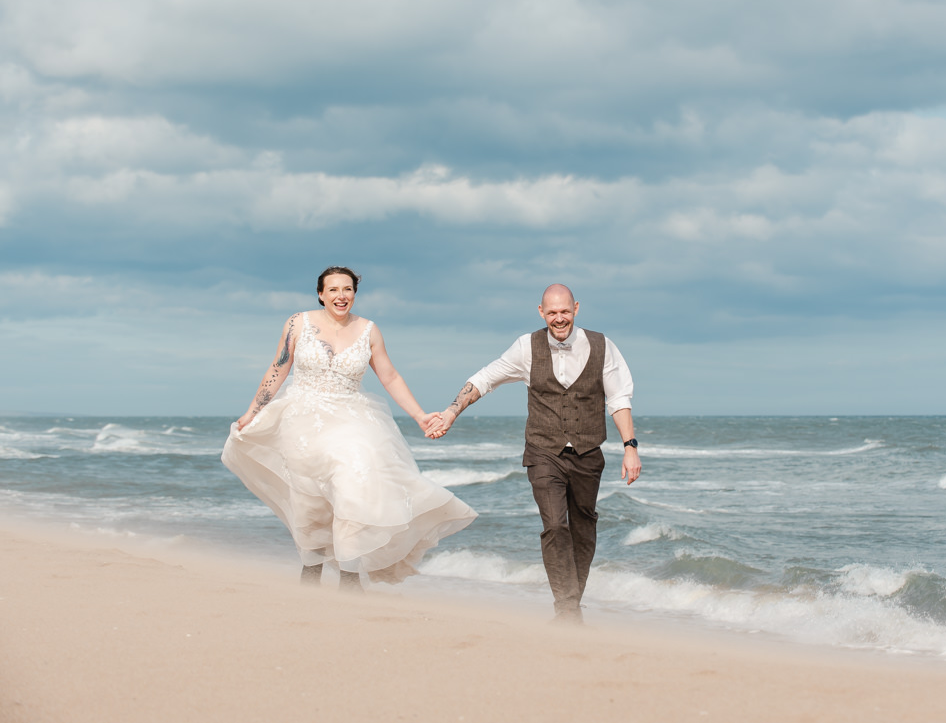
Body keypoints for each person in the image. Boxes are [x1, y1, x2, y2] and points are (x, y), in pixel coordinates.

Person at [221, 266, 476, 590]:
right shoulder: (297, 323)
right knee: (310, 500)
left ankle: (350, 575)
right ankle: (311, 568)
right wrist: (252, 412)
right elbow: (278, 369)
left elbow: (390, 377)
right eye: (334, 290)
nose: (341, 296)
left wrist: (420, 415)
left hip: (352, 417)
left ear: (354, 293)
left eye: (347, 290)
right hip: (303, 417)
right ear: (321, 293)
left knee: (355, 484)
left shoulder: (369, 330)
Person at [427, 284, 640, 623]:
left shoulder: (602, 346)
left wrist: (630, 448)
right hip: (544, 452)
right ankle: (567, 609)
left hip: (588, 454)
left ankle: (572, 604)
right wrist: (452, 412)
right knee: (556, 526)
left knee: (583, 528)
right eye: (552, 312)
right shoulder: (526, 347)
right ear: (541, 312)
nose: (559, 318)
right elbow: (486, 379)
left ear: (576, 309)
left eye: (565, 311)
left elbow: (618, 399)